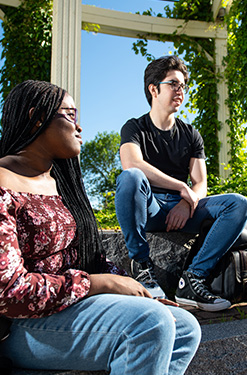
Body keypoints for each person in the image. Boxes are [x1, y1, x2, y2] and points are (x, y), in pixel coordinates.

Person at [0, 80, 201, 375]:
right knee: (149, 323)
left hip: (69, 307)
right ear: (36, 118)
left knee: (184, 326)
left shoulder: (60, 184)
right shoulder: (3, 181)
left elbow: (87, 258)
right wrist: (99, 284)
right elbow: (8, 292)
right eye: (70, 116)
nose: (79, 127)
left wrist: (143, 293)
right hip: (20, 324)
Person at [115, 55, 247, 312]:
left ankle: (193, 278)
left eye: (183, 86)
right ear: (153, 89)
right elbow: (132, 164)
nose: (181, 91)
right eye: (173, 84)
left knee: (237, 204)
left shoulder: (190, 133)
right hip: (150, 207)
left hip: (183, 208)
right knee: (131, 178)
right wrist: (181, 187)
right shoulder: (134, 127)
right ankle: (142, 266)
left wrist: (187, 203)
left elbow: (200, 183)